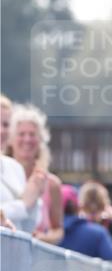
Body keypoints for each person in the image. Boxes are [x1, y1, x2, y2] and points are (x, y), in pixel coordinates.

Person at [6, 103, 63, 245]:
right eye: (21, 134)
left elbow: (58, 230)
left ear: (40, 140)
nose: (27, 139)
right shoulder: (3, 177)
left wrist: (43, 239)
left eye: (32, 134)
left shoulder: (52, 184)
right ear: (10, 139)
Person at [0, 98, 48, 237]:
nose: (1, 130)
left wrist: (35, 197)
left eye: (6, 124)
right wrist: (24, 204)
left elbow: (27, 228)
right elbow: (22, 207)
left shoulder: (15, 168)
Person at [60, 181, 112, 265]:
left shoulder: (110, 226)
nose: (92, 215)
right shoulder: (100, 231)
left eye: (97, 209)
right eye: (89, 209)